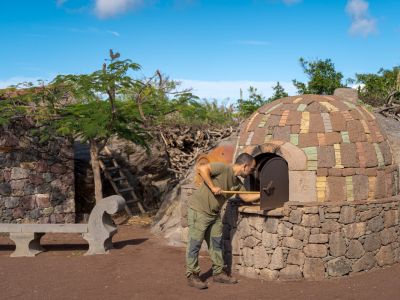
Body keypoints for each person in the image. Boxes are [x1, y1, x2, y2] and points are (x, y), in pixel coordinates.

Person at [186, 153, 260, 289]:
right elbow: (202, 169)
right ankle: (192, 275)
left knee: (216, 244)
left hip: (214, 214)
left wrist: (263, 193)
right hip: (199, 211)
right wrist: (213, 186)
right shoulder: (222, 168)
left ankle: (218, 273)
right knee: (195, 244)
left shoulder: (237, 183)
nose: (252, 172)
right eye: (252, 169)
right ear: (245, 166)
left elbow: (247, 197)